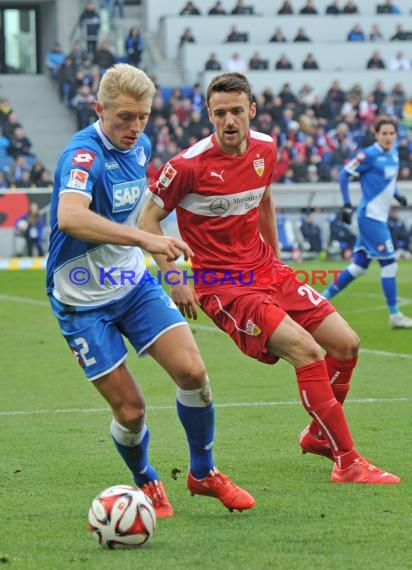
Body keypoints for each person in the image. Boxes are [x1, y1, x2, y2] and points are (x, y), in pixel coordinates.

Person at [139, 72, 400, 485]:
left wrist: (276, 263)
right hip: (223, 286)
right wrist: (173, 275)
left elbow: (265, 200)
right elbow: (147, 221)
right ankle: (348, 463)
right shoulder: (186, 166)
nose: (229, 121)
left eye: (237, 112)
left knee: (346, 344)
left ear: (252, 111)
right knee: (307, 351)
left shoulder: (266, 148)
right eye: (220, 113)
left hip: (266, 271)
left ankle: (319, 435)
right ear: (208, 114)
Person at [46, 64, 255, 519]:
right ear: (99, 110)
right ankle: (146, 480)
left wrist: (172, 272)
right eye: (124, 117)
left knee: (193, 373)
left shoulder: (139, 147)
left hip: (130, 282)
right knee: (132, 410)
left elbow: (142, 216)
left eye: (142, 116)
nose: (135, 127)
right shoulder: (82, 155)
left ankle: (203, 472)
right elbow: (70, 217)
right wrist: (148, 242)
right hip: (80, 299)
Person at [322, 118, 412, 329]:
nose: (389, 137)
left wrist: (398, 196)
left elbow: (388, 182)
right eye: (385, 133)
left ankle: (320, 300)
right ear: (376, 134)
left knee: (359, 266)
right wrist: (346, 204)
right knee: (390, 265)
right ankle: (395, 315)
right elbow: (344, 176)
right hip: (370, 218)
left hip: (379, 217)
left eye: (392, 133)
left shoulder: (394, 153)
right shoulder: (368, 155)